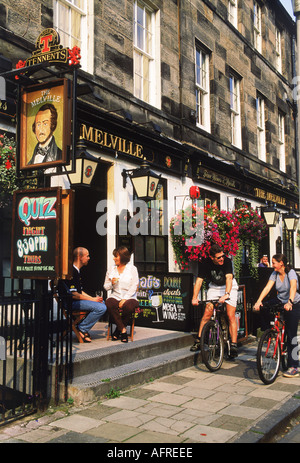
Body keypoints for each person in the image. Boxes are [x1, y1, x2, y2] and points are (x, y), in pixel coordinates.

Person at [254, 253, 300, 378]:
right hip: (280, 300)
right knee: (263, 307)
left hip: (293, 303)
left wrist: (290, 302)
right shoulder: (274, 274)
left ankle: (294, 366)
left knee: (291, 335)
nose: (272, 264)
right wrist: (259, 301)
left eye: (274, 262)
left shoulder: (291, 273)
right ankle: (269, 332)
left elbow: (293, 287)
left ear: (281, 263)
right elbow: (267, 287)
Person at [190, 243, 239, 356]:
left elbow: (229, 278)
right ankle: (199, 340)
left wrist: (227, 294)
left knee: (231, 315)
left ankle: (234, 344)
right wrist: (194, 297)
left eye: (222, 256)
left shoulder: (226, 261)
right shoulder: (205, 263)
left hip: (229, 287)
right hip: (215, 287)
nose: (222, 258)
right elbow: (199, 281)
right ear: (212, 258)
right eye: (218, 257)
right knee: (207, 313)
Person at [62, 247, 107, 342]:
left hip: (76, 301)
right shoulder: (71, 271)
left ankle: (82, 327)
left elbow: (80, 291)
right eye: (87, 256)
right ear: (79, 257)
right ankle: (82, 328)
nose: (89, 258)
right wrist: (93, 300)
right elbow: (73, 294)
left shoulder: (76, 271)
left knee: (101, 302)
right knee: (101, 307)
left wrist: (93, 298)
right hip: (71, 302)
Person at [104, 246, 139, 343]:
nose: (114, 258)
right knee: (109, 303)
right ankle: (123, 330)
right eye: (114, 256)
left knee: (128, 306)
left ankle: (117, 330)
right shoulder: (111, 269)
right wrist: (112, 283)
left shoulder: (132, 269)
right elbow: (106, 286)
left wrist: (125, 299)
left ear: (123, 257)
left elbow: (134, 285)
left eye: (116, 256)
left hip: (130, 297)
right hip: (115, 296)